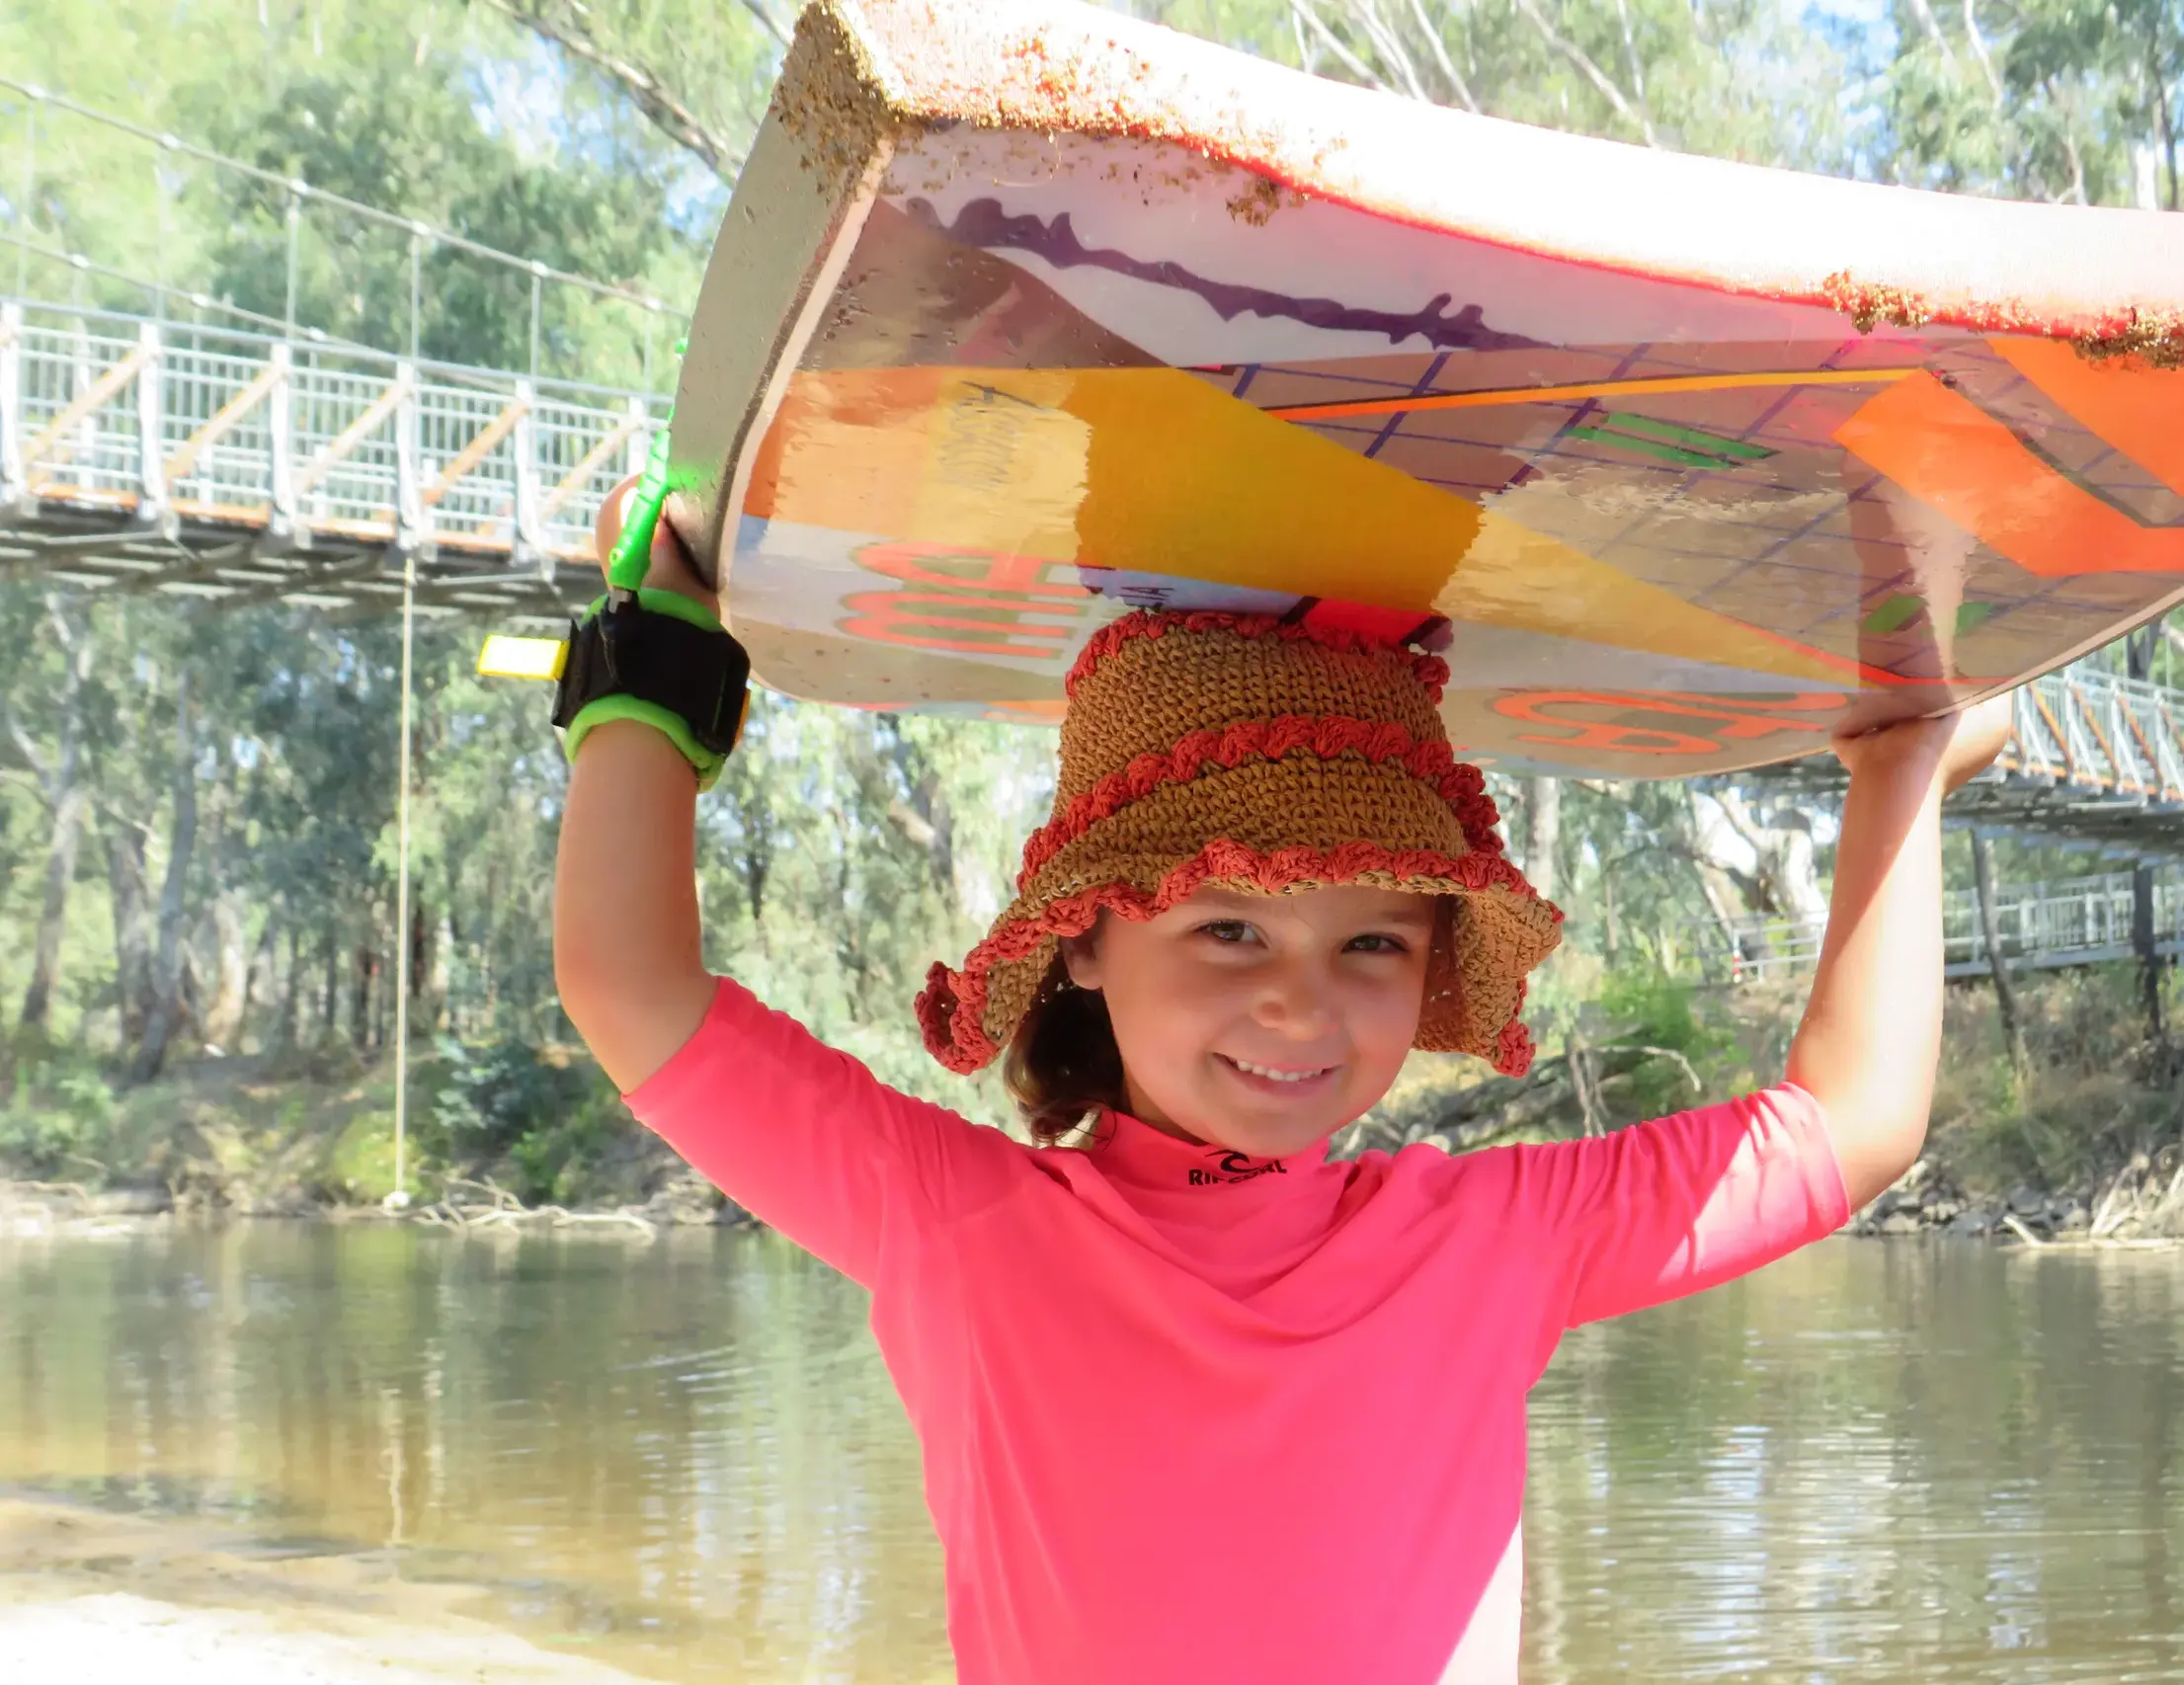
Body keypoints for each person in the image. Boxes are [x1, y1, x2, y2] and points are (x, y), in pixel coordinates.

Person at [554, 479, 2010, 1685]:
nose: (1298, 996)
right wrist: (658, 640)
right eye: (1227, 922)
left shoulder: (1492, 1236)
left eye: (1371, 936)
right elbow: (634, 989)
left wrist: (1904, 770)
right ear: (1083, 939)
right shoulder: (956, 1222)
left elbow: (1846, 1126)